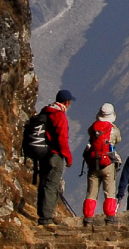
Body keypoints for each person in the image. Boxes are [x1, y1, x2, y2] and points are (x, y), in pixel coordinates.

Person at [31, 89, 74, 226]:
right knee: (51, 185)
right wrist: (68, 157)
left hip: (44, 155)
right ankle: (46, 218)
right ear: (66, 102)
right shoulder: (59, 116)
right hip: (55, 156)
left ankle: (43, 214)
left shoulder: (46, 111)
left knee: (44, 184)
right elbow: (62, 139)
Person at [82, 103, 121, 226]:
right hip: (107, 163)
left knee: (91, 192)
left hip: (93, 163)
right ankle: (110, 216)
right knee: (109, 190)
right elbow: (118, 140)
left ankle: (88, 217)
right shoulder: (113, 129)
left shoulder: (92, 128)